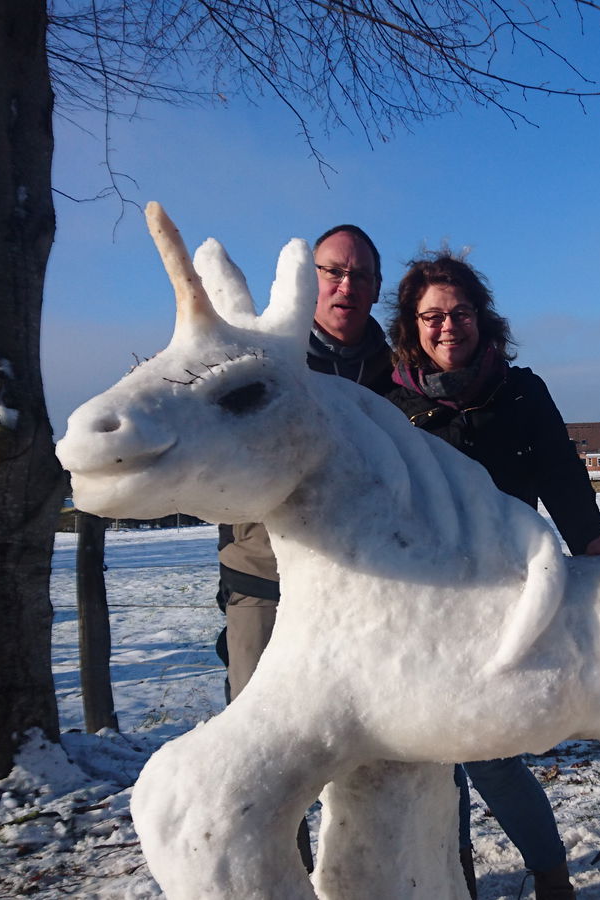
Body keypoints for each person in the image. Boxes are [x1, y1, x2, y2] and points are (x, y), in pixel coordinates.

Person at [385, 251, 600, 900]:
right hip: (420, 599)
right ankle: (459, 880)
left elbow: (560, 472)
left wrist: (591, 538)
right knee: (428, 764)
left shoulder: (520, 390)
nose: (448, 326)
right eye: (433, 316)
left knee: (489, 756)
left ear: (482, 318)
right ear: (412, 327)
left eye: (460, 312)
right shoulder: (388, 403)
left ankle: (552, 876)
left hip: (502, 593)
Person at [215, 222, 390, 870]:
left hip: (367, 593)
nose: (345, 285)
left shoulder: (399, 370)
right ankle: (280, 879)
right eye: (332, 271)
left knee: (375, 754)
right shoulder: (255, 358)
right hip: (266, 586)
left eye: (360, 275)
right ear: (309, 278)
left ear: (376, 289)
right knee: (265, 760)